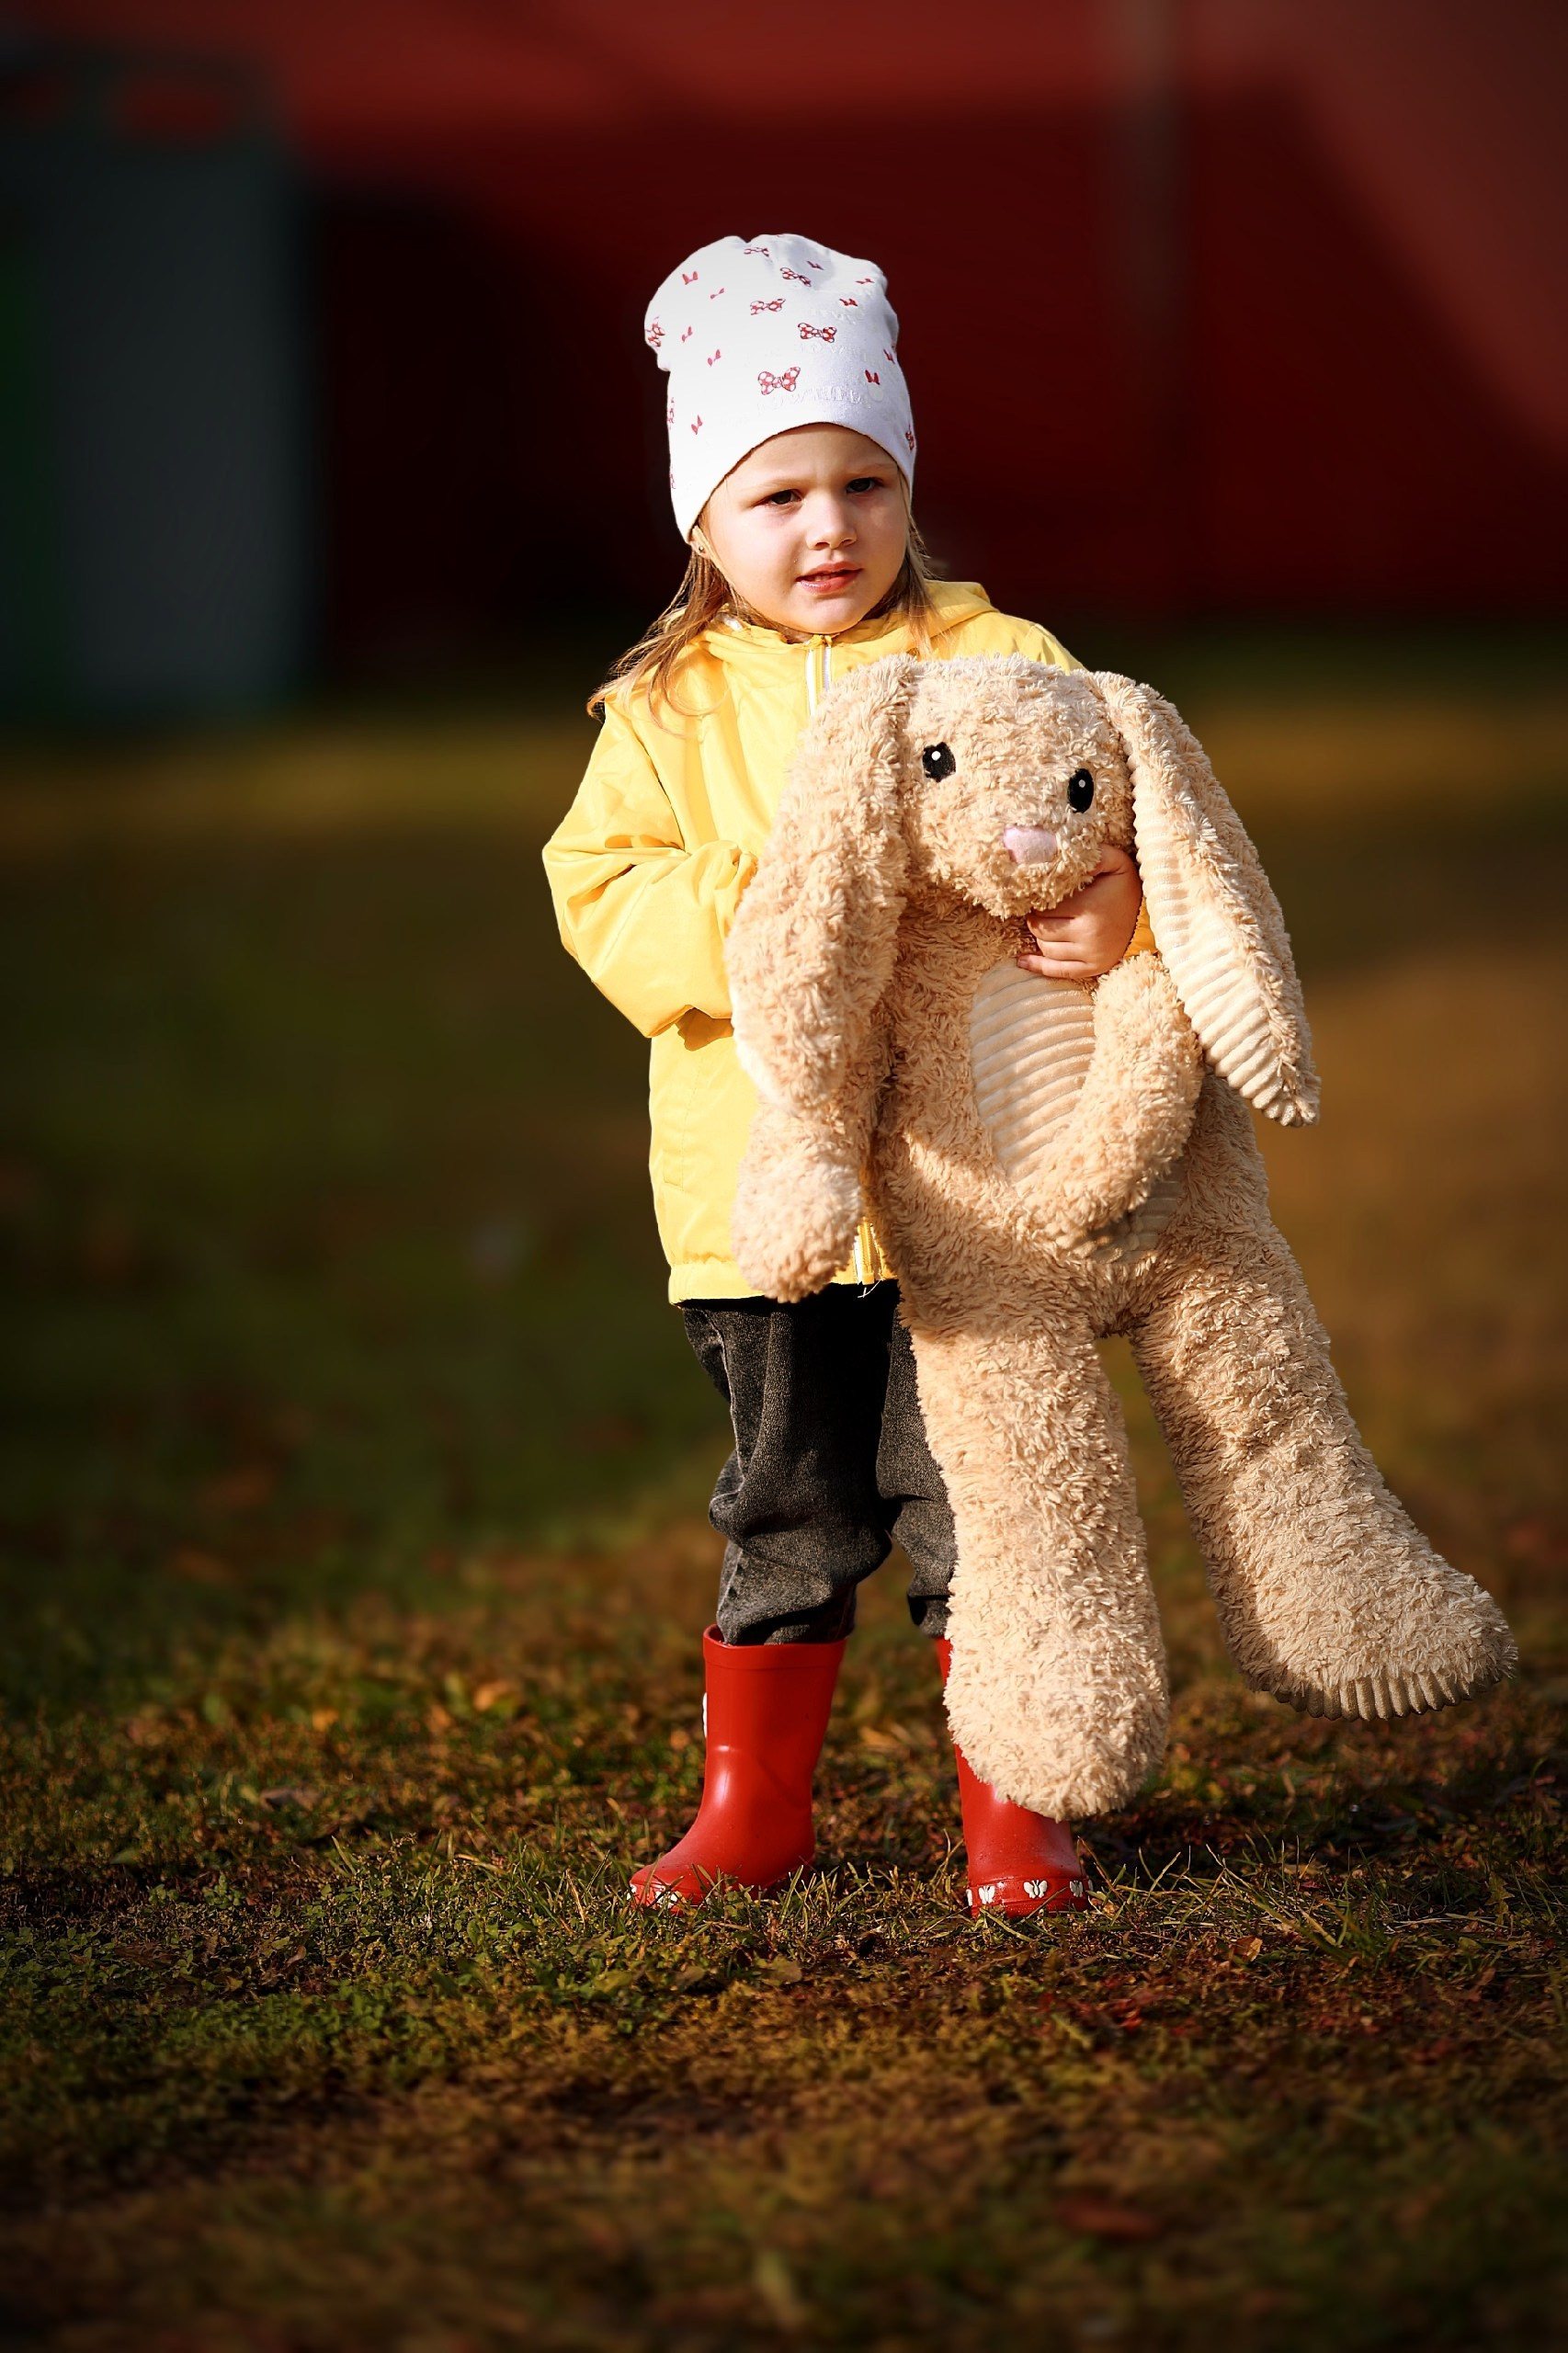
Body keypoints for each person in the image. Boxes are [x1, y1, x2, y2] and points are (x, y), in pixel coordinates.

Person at [542, 233, 1149, 1916]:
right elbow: (600, 890)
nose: (827, 528)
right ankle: (755, 1807)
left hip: (977, 1192)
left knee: (985, 1506)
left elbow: (1113, 822)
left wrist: (1112, 916)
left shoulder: (997, 656)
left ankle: (1013, 1805)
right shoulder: (664, 709)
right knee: (790, 1507)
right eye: (778, 493)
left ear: (905, 486)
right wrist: (776, 909)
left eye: (861, 484)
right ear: (702, 522)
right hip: (766, 1210)